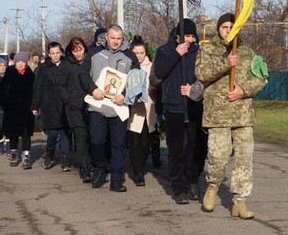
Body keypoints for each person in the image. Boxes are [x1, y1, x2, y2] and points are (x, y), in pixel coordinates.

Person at [195, 13, 266, 219]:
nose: (228, 30)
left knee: (244, 160)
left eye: (232, 26)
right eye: (224, 26)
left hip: (242, 115)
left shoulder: (249, 53)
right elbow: (201, 74)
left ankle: (240, 202)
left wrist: (243, 90)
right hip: (218, 115)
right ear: (218, 28)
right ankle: (213, 187)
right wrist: (225, 63)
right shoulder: (207, 50)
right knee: (218, 157)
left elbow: (260, 79)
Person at [154, 18, 207, 205]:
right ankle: (180, 187)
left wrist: (193, 90)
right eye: (186, 36)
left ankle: (193, 180)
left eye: (193, 36)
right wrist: (176, 54)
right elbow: (159, 73)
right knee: (177, 149)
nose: (190, 40)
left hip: (195, 106)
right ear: (177, 37)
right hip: (173, 106)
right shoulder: (164, 51)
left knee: (198, 146)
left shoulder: (200, 53)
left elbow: (205, 78)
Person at [87, 24, 140, 192]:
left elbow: (136, 81)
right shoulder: (93, 53)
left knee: (118, 144)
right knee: (96, 141)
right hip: (98, 106)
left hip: (119, 108)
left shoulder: (130, 56)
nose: (116, 42)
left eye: (119, 39)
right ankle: (100, 166)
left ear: (122, 39)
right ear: (106, 38)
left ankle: (117, 180)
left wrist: (125, 96)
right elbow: (82, 75)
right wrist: (92, 89)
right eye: (112, 38)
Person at [32, 42, 72, 171]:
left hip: (65, 103)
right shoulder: (43, 68)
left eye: (57, 53)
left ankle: (65, 159)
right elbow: (38, 87)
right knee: (53, 133)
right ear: (49, 54)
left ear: (61, 52)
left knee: (66, 133)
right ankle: (49, 154)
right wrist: (35, 105)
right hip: (49, 104)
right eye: (52, 53)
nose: (55, 56)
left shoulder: (68, 65)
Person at [62, 36, 97, 183]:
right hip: (75, 107)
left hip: (92, 105)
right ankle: (84, 168)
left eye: (80, 49)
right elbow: (60, 86)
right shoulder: (66, 65)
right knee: (81, 135)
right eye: (74, 50)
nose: (78, 53)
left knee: (93, 137)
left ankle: (92, 162)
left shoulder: (92, 62)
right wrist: (69, 99)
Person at [127, 35, 157, 187]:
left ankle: (141, 164)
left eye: (141, 53)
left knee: (146, 142)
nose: (139, 56)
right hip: (133, 109)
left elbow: (156, 83)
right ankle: (138, 172)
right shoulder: (128, 66)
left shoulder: (152, 66)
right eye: (136, 53)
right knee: (134, 141)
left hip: (149, 108)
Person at [0, 51, 36, 169]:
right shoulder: (9, 74)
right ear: (14, 63)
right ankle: (14, 154)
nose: (20, 64)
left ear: (26, 63)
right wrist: (6, 105)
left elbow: (36, 92)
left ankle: (26, 157)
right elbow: (1, 92)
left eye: (23, 62)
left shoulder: (31, 75)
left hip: (26, 110)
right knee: (13, 134)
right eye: (18, 62)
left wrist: (34, 106)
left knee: (26, 134)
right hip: (12, 110)